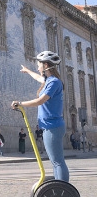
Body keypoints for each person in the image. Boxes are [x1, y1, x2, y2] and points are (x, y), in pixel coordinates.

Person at [12, 50, 70, 182]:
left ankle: (63, 189)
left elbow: (40, 101)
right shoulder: (49, 80)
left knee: (57, 161)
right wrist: (27, 71)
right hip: (49, 126)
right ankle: (60, 186)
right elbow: (38, 78)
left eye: (39, 65)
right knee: (55, 161)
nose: (37, 67)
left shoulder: (54, 82)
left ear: (45, 65)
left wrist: (20, 103)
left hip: (52, 126)